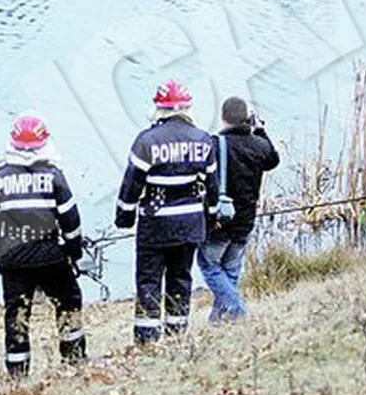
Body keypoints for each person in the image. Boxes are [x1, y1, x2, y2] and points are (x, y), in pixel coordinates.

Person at [114, 80, 219, 345]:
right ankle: (177, 333)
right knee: (181, 278)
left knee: (149, 280)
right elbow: (212, 187)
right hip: (191, 223)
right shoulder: (204, 140)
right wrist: (211, 219)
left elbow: (131, 185)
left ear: (158, 109)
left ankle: (147, 338)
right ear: (187, 108)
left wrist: (124, 217)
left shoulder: (147, 141)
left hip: (155, 225)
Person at [0, 114, 86, 377]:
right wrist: (74, 252)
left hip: (13, 258)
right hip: (50, 255)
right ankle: (74, 359)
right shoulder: (54, 176)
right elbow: (71, 221)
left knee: (17, 313)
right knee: (68, 301)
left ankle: (17, 372)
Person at [200, 97, 280, 322]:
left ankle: (236, 310)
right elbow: (273, 160)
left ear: (223, 118)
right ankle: (218, 318)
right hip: (246, 220)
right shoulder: (260, 145)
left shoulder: (215, 145)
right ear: (247, 119)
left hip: (221, 219)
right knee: (231, 269)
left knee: (209, 265)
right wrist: (261, 130)